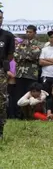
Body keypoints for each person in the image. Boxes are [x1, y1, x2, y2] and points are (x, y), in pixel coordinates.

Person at [13, 25, 41, 116]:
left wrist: (23, 55)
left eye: (30, 32)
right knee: (19, 94)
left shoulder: (38, 44)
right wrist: (26, 55)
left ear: (35, 33)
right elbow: (16, 56)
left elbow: (34, 55)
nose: (28, 33)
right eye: (27, 32)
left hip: (31, 73)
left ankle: (29, 114)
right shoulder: (22, 43)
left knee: (30, 94)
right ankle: (19, 114)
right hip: (20, 73)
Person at [0, 9, 16, 141]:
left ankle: (0, 129)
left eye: (1, 18)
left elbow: (10, 56)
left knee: (1, 100)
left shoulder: (8, 36)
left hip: (0, 71)